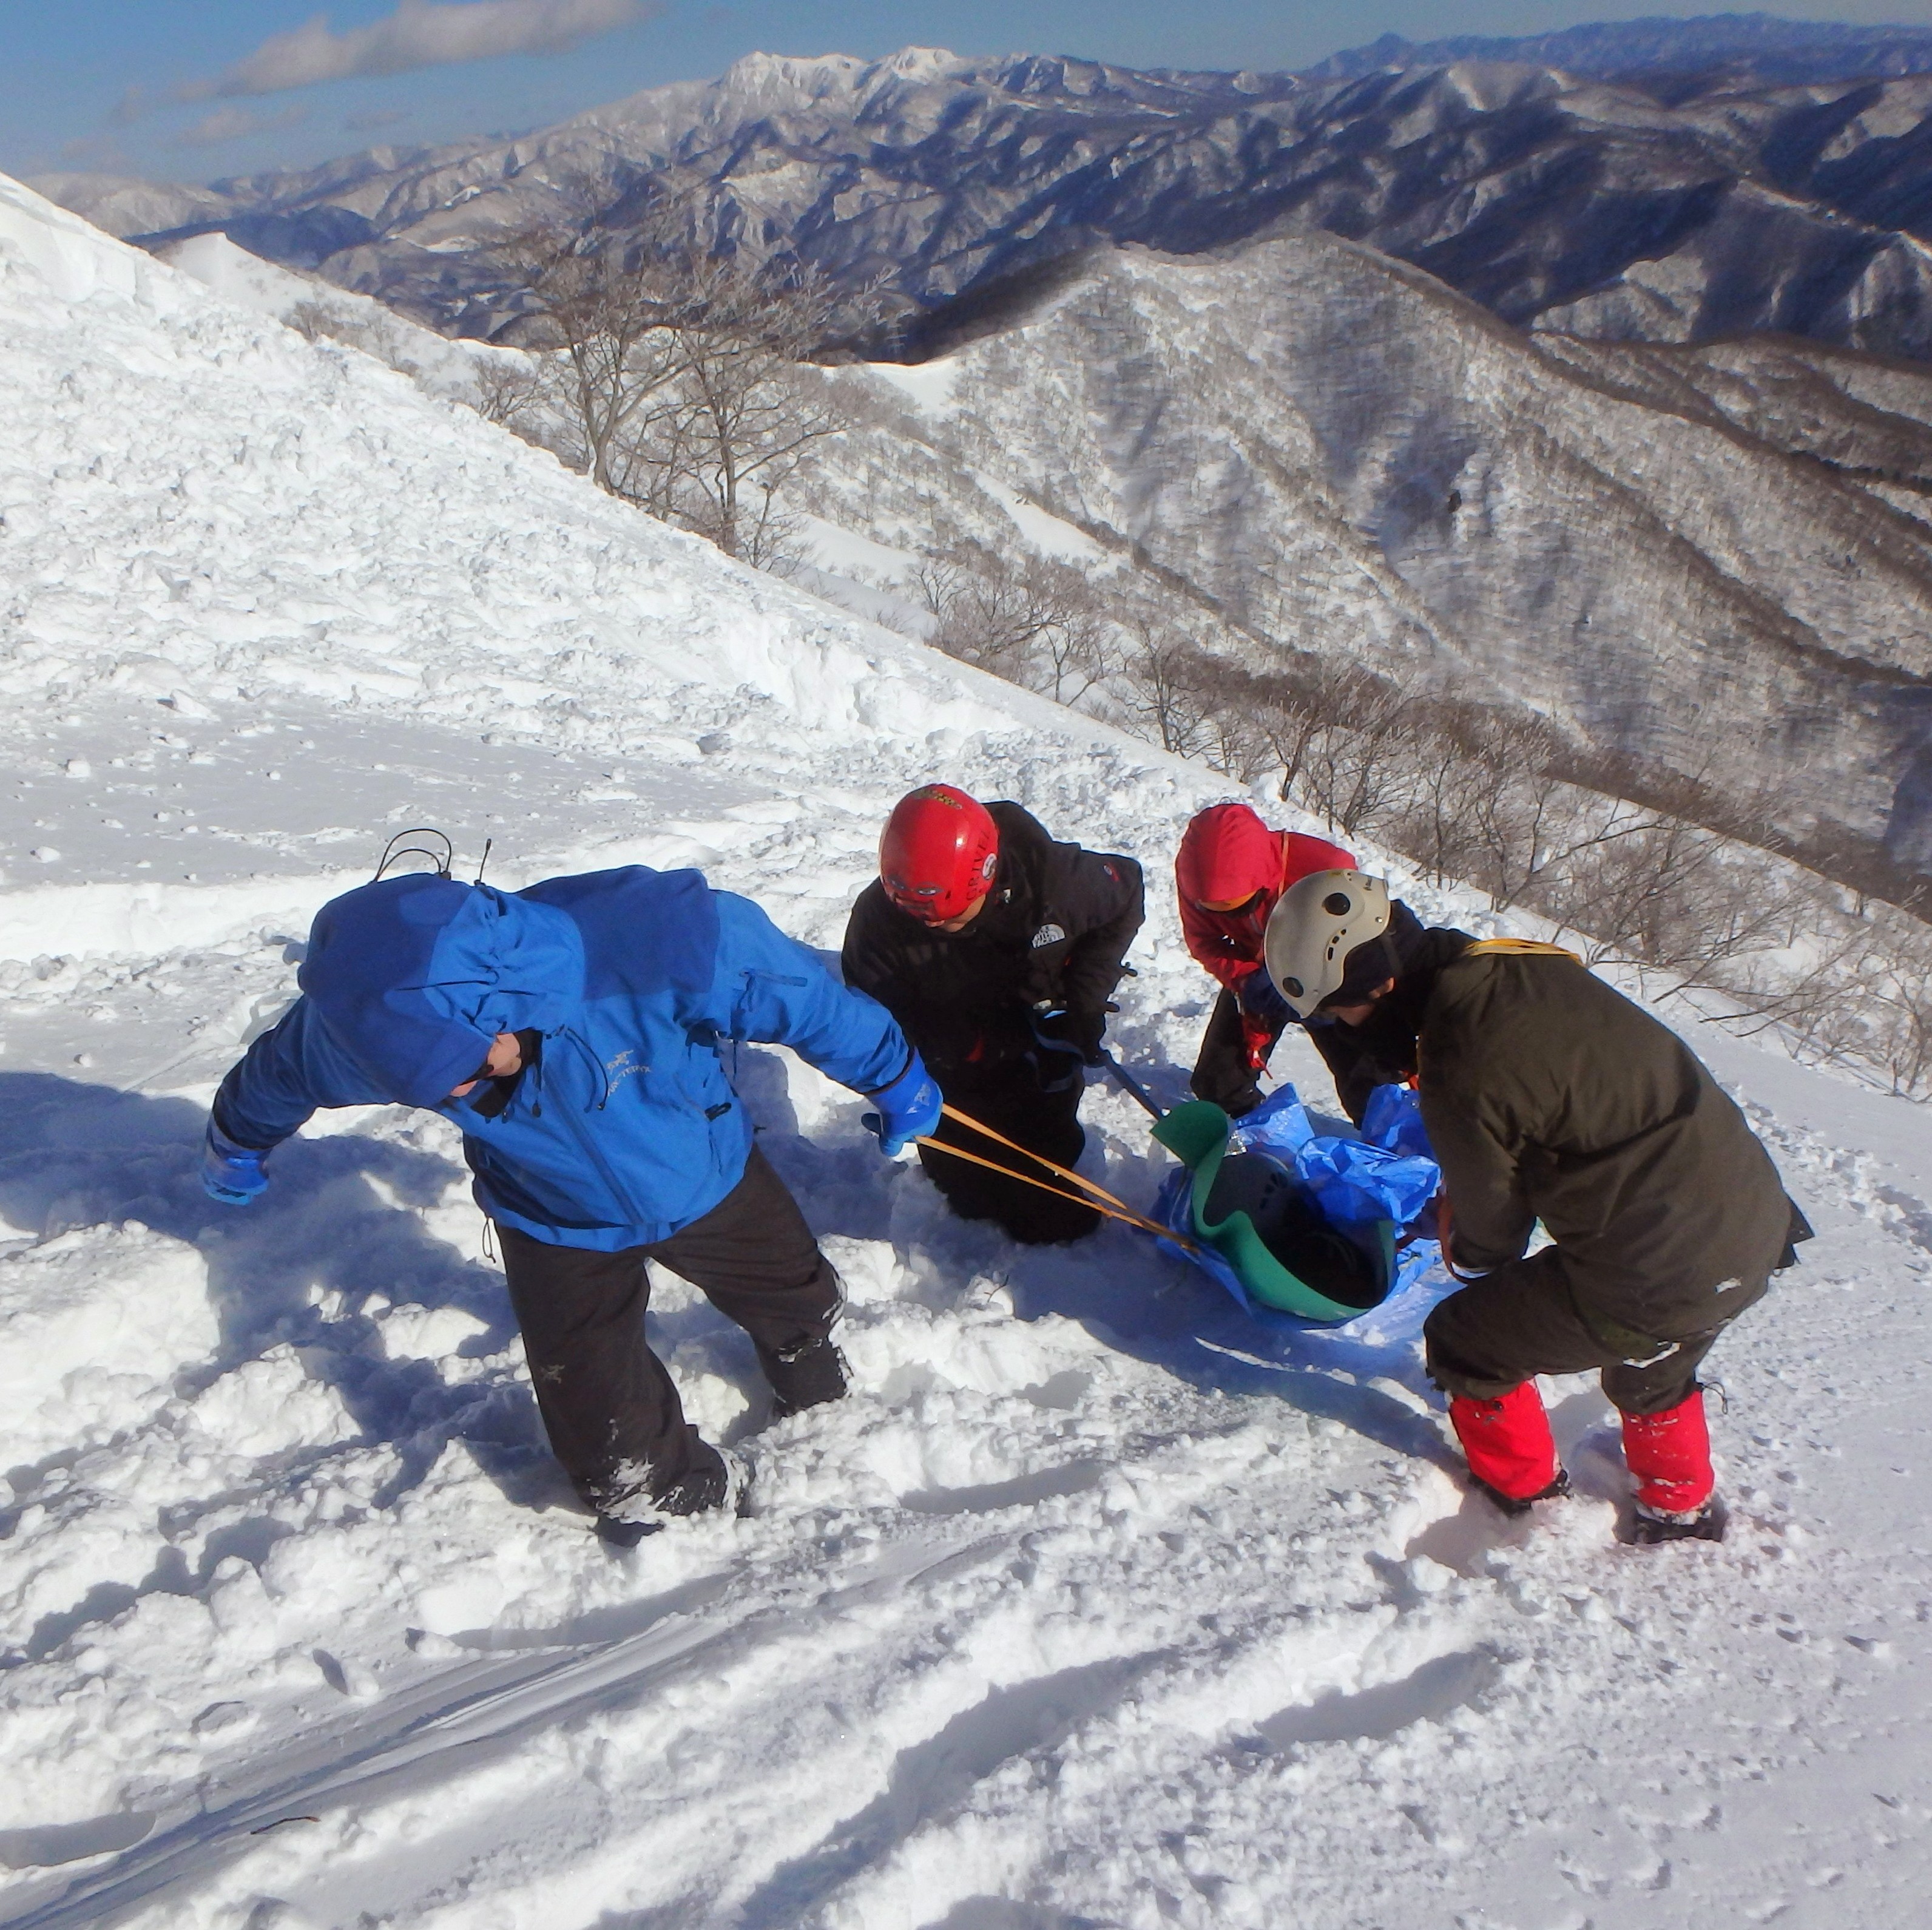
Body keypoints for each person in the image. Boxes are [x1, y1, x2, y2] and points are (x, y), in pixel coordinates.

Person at [199, 864, 940, 1549]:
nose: (458, 1095)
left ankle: (805, 1353)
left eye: (463, 1068)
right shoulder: (370, 1031)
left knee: (787, 1286)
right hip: (552, 1216)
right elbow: (279, 1071)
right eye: (430, 1087)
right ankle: (672, 1493)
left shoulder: (663, 942)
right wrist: (236, 1140)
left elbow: (805, 1000)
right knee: (600, 1436)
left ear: (502, 1007)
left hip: (699, 1170)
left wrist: (894, 1075)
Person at [1265, 868, 1809, 1543]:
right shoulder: (1511, 963)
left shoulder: (1458, 1054)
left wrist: (1455, 1232)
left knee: (1468, 1344)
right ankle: (1678, 1503)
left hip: (1665, 1268)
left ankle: (1532, 1504)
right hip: (1750, 1217)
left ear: (1377, 985)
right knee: (1651, 1357)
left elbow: (1491, 1239)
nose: (1336, 1027)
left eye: (1334, 1011)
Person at [842, 784, 1144, 1243]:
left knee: (1051, 1164)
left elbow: (1125, 895)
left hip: (1043, 1035)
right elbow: (870, 1018)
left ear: (985, 877)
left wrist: (1083, 998)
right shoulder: (879, 922)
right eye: (920, 918)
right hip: (952, 1060)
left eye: (948, 918)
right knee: (971, 1194)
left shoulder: (1055, 884)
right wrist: (901, 1080)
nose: (930, 926)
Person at [1176, 803, 1364, 1119]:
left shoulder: (1328, 868)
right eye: (1217, 910)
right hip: (1257, 971)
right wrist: (1250, 980)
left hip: (1330, 976)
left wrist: (1335, 995)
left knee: (1370, 1086)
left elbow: (1363, 941)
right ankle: (1256, 1138)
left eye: (1242, 905)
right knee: (1217, 1083)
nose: (1234, 917)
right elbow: (1204, 941)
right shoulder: (1194, 877)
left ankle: (1394, 1154)